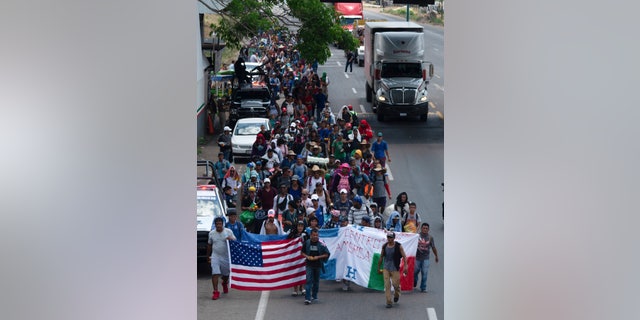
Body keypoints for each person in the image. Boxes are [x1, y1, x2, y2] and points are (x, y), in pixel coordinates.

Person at [207, 217, 237, 300]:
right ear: (215, 225)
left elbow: (235, 242)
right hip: (215, 256)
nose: (218, 225)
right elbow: (209, 245)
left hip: (226, 257)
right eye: (217, 224)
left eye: (220, 224)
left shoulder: (228, 232)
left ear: (223, 224)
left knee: (226, 274)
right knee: (215, 273)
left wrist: (230, 239)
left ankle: (224, 283)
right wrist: (208, 256)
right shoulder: (212, 233)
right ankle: (215, 292)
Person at [377, 231, 408, 308]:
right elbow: (381, 257)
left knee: (395, 284)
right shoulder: (384, 246)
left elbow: (404, 256)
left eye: (391, 237)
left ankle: (397, 294)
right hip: (386, 268)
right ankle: (389, 302)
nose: (389, 239)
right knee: (387, 285)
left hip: (395, 268)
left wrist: (405, 266)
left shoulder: (398, 246)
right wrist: (378, 267)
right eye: (388, 237)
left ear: (394, 238)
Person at [301, 228, 331, 305]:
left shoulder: (321, 244)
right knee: (308, 281)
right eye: (313, 235)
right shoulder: (307, 243)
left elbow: (327, 254)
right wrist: (307, 257)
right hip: (309, 264)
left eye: (316, 235)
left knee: (316, 282)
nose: (315, 237)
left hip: (318, 265)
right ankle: (307, 298)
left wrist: (318, 257)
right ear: (310, 235)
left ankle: (314, 295)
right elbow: (302, 253)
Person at [414, 223, 439, 293]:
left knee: (424, 273)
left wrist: (436, 256)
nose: (425, 229)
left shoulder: (430, 238)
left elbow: (433, 247)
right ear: (421, 229)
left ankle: (423, 287)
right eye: (423, 228)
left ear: (428, 230)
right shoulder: (417, 236)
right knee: (415, 272)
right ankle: (414, 281)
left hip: (425, 258)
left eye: (426, 228)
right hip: (417, 258)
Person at [288, 221, 308, 296]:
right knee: (295, 272)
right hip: (295, 256)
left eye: (301, 226)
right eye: (299, 226)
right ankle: (295, 290)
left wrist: (304, 238)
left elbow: (308, 243)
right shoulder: (292, 234)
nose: (300, 227)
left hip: (303, 256)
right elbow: (288, 243)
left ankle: (302, 288)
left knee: (303, 272)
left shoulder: (306, 234)